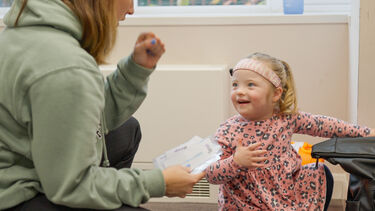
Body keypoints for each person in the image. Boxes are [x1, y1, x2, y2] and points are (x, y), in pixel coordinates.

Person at [0, 0, 204, 210]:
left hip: (27, 167)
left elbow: (80, 114)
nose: (132, 10)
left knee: (127, 130)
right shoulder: (65, 65)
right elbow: (72, 185)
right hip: (14, 195)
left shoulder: (30, 36)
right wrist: (157, 183)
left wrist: (133, 73)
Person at [204, 52, 375, 211]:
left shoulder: (286, 119)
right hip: (245, 204)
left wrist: (366, 133)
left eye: (250, 85)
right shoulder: (227, 130)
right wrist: (236, 162)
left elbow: (325, 125)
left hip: (286, 195)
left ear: (276, 94)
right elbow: (211, 174)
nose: (239, 91)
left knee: (321, 174)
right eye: (235, 84)